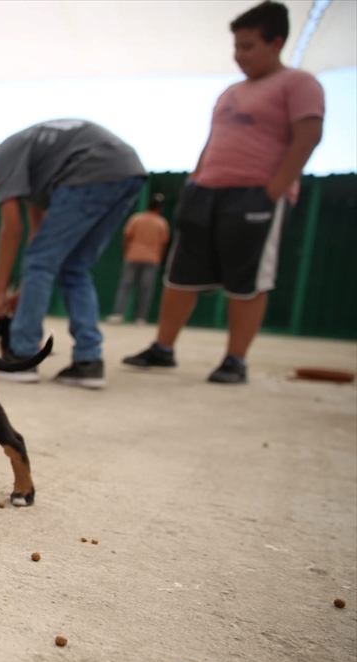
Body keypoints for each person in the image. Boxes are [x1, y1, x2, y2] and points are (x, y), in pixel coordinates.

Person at [123, 1, 325, 384]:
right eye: (236, 46)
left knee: (246, 279)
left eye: (248, 46)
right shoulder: (230, 92)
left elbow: (309, 135)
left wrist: (274, 190)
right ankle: (163, 348)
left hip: (255, 195)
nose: (239, 55)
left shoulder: (299, 84)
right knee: (180, 274)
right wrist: (195, 181)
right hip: (207, 192)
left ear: (276, 42)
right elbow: (212, 140)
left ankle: (235, 359)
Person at [0, 120, 148, 389]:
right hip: (126, 170)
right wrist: (27, 288)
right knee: (73, 267)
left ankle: (22, 355)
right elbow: (38, 230)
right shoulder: (31, 167)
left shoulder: (2, 157)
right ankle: (89, 362)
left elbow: (12, 229)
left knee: (45, 262)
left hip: (92, 168)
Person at [106, 193, 169, 324]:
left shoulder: (136, 219)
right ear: (160, 208)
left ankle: (118, 314)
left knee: (125, 286)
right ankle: (140, 318)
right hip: (152, 259)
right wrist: (159, 257)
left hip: (133, 256)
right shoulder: (162, 223)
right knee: (145, 289)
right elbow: (164, 243)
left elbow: (127, 237)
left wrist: (127, 252)